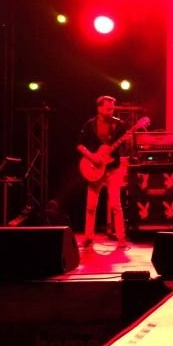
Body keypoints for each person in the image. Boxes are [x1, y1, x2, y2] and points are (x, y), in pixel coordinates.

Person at [76, 95, 128, 248]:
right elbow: (79, 145)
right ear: (99, 108)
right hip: (94, 168)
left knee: (116, 205)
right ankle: (88, 237)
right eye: (108, 108)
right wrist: (92, 157)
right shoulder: (90, 124)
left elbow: (125, 146)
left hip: (113, 169)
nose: (111, 111)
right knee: (91, 206)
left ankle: (121, 238)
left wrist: (129, 140)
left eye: (112, 108)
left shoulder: (119, 125)